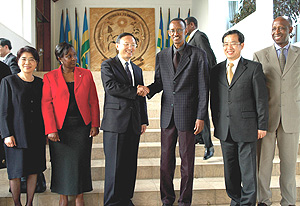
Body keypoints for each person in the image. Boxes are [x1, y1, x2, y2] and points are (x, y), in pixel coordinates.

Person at [141, 18, 209, 206]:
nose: (175, 34)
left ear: (185, 31)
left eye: (179, 30)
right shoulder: (161, 55)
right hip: (167, 117)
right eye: (172, 31)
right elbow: (159, 82)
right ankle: (167, 200)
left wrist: (201, 116)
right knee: (165, 163)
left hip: (188, 116)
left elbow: (204, 88)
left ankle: (184, 202)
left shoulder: (198, 54)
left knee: (187, 164)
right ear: (168, 33)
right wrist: (149, 89)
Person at [210, 30, 269, 206]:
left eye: (233, 43)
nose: (229, 47)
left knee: (248, 171)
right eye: (226, 44)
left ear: (241, 45)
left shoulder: (253, 68)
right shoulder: (216, 70)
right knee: (230, 170)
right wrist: (217, 123)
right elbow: (215, 100)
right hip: (225, 128)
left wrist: (262, 125)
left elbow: (261, 99)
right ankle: (235, 199)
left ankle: (248, 203)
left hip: (247, 127)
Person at [41, 42, 100, 206]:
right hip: (60, 129)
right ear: (60, 59)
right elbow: (46, 104)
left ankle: (79, 195)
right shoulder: (50, 77)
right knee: (61, 164)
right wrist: (51, 129)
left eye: (74, 55)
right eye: (69, 56)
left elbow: (93, 100)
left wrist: (95, 124)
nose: (74, 59)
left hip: (82, 127)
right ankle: (63, 196)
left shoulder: (86, 74)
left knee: (81, 161)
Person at [253, 16, 300, 206]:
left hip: (292, 118)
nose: (276, 32)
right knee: (263, 166)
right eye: (274, 28)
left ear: (290, 30)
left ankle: (288, 201)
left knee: (288, 167)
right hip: (267, 120)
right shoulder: (259, 55)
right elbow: (255, 89)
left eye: (281, 28)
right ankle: (263, 200)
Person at [101, 32, 148, 206]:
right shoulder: (108, 65)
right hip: (115, 123)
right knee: (114, 166)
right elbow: (111, 87)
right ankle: (112, 202)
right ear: (117, 45)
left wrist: (143, 120)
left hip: (134, 123)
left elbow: (141, 96)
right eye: (126, 44)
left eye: (133, 44)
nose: (130, 47)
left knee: (129, 165)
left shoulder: (137, 69)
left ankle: (125, 199)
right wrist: (135, 90)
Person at [0, 46, 46, 206]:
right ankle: (17, 203)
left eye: (32, 59)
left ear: (36, 63)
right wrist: (6, 134)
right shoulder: (9, 81)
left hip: (36, 134)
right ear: (18, 61)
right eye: (24, 59)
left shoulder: (41, 83)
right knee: (15, 172)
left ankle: (29, 203)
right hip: (15, 135)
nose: (28, 62)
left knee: (34, 170)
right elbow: (4, 111)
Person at [185, 16, 216, 160]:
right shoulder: (191, 39)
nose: (184, 29)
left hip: (201, 81)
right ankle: (200, 138)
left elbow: (209, 57)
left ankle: (208, 145)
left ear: (192, 24)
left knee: (202, 112)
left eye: (185, 26)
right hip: (193, 83)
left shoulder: (199, 36)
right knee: (196, 111)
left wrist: (207, 79)